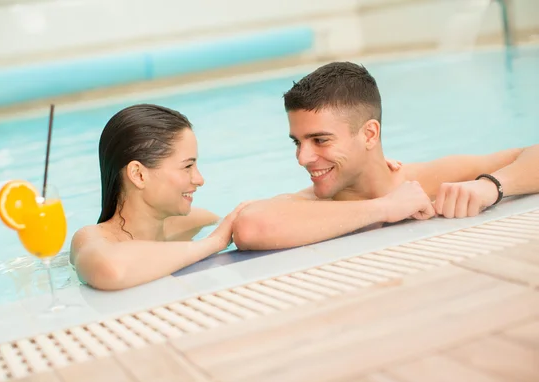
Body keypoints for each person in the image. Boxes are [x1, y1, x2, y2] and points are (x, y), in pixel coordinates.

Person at [232, 61, 539, 251]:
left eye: (319, 140)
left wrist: (491, 186)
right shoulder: (313, 207)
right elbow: (249, 227)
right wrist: (384, 208)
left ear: (369, 134)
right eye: (297, 142)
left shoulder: (424, 178)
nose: (302, 158)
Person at [70, 104, 249, 290]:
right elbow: (112, 270)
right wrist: (213, 243)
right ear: (139, 175)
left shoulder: (196, 221)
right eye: (187, 166)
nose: (199, 180)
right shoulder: (91, 238)